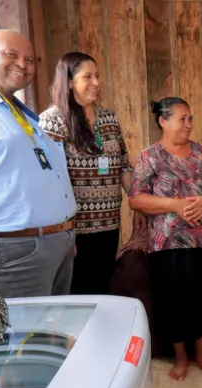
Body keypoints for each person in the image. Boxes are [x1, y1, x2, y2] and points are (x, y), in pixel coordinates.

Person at [128, 97, 202, 381]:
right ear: (163, 121)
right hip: (167, 244)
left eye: (190, 119)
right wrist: (177, 205)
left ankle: (201, 354)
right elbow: (136, 200)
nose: (188, 124)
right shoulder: (150, 156)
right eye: (182, 118)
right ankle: (181, 357)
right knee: (173, 301)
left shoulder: (201, 152)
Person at [0, 29, 77, 298]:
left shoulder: (19, 110)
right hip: (16, 248)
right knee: (23, 336)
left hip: (56, 243)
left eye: (29, 60)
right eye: (11, 54)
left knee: (51, 332)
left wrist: (63, 232)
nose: (23, 65)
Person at [39, 52, 134, 295]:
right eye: (87, 76)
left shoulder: (108, 118)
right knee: (79, 294)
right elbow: (48, 181)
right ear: (69, 82)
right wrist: (63, 232)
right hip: (75, 231)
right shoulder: (53, 121)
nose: (96, 82)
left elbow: (123, 164)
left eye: (97, 76)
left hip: (110, 224)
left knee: (102, 290)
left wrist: (140, 201)